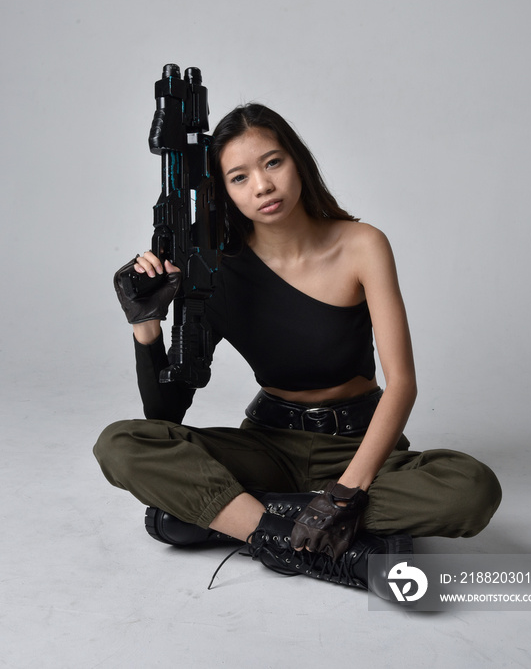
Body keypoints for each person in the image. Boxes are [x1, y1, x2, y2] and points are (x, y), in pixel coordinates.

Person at [94, 104, 501, 597]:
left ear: (297, 163)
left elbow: (404, 384)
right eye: (238, 177)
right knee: (120, 443)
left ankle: (231, 517)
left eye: (272, 163)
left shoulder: (361, 245)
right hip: (268, 445)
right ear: (224, 191)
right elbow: (166, 417)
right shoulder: (216, 270)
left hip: (359, 443)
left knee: (471, 489)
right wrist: (145, 325)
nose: (262, 186)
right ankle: (323, 549)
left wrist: (346, 494)